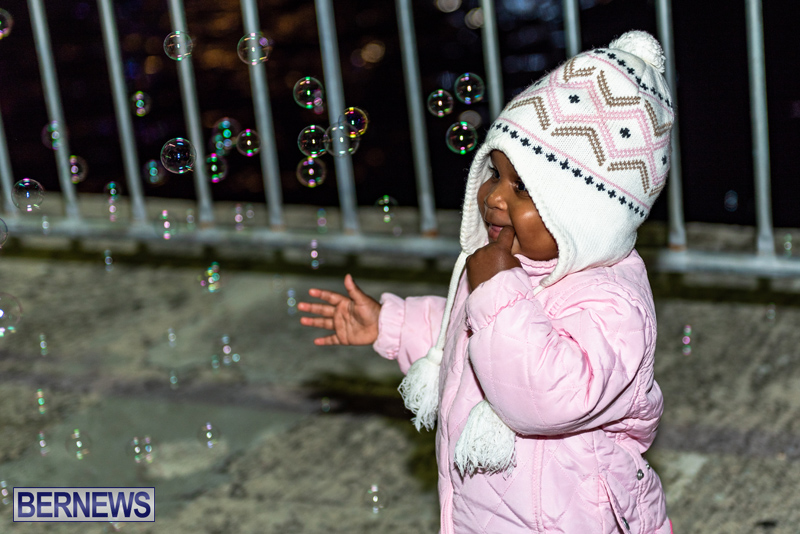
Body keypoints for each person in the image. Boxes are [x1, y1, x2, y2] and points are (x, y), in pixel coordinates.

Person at [299, 29, 674, 534]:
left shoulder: (612, 302)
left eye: (523, 188)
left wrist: (497, 290)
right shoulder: (507, 272)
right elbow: (465, 336)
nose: (494, 197)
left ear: (585, 214)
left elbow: (543, 397)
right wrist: (392, 322)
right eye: (494, 174)